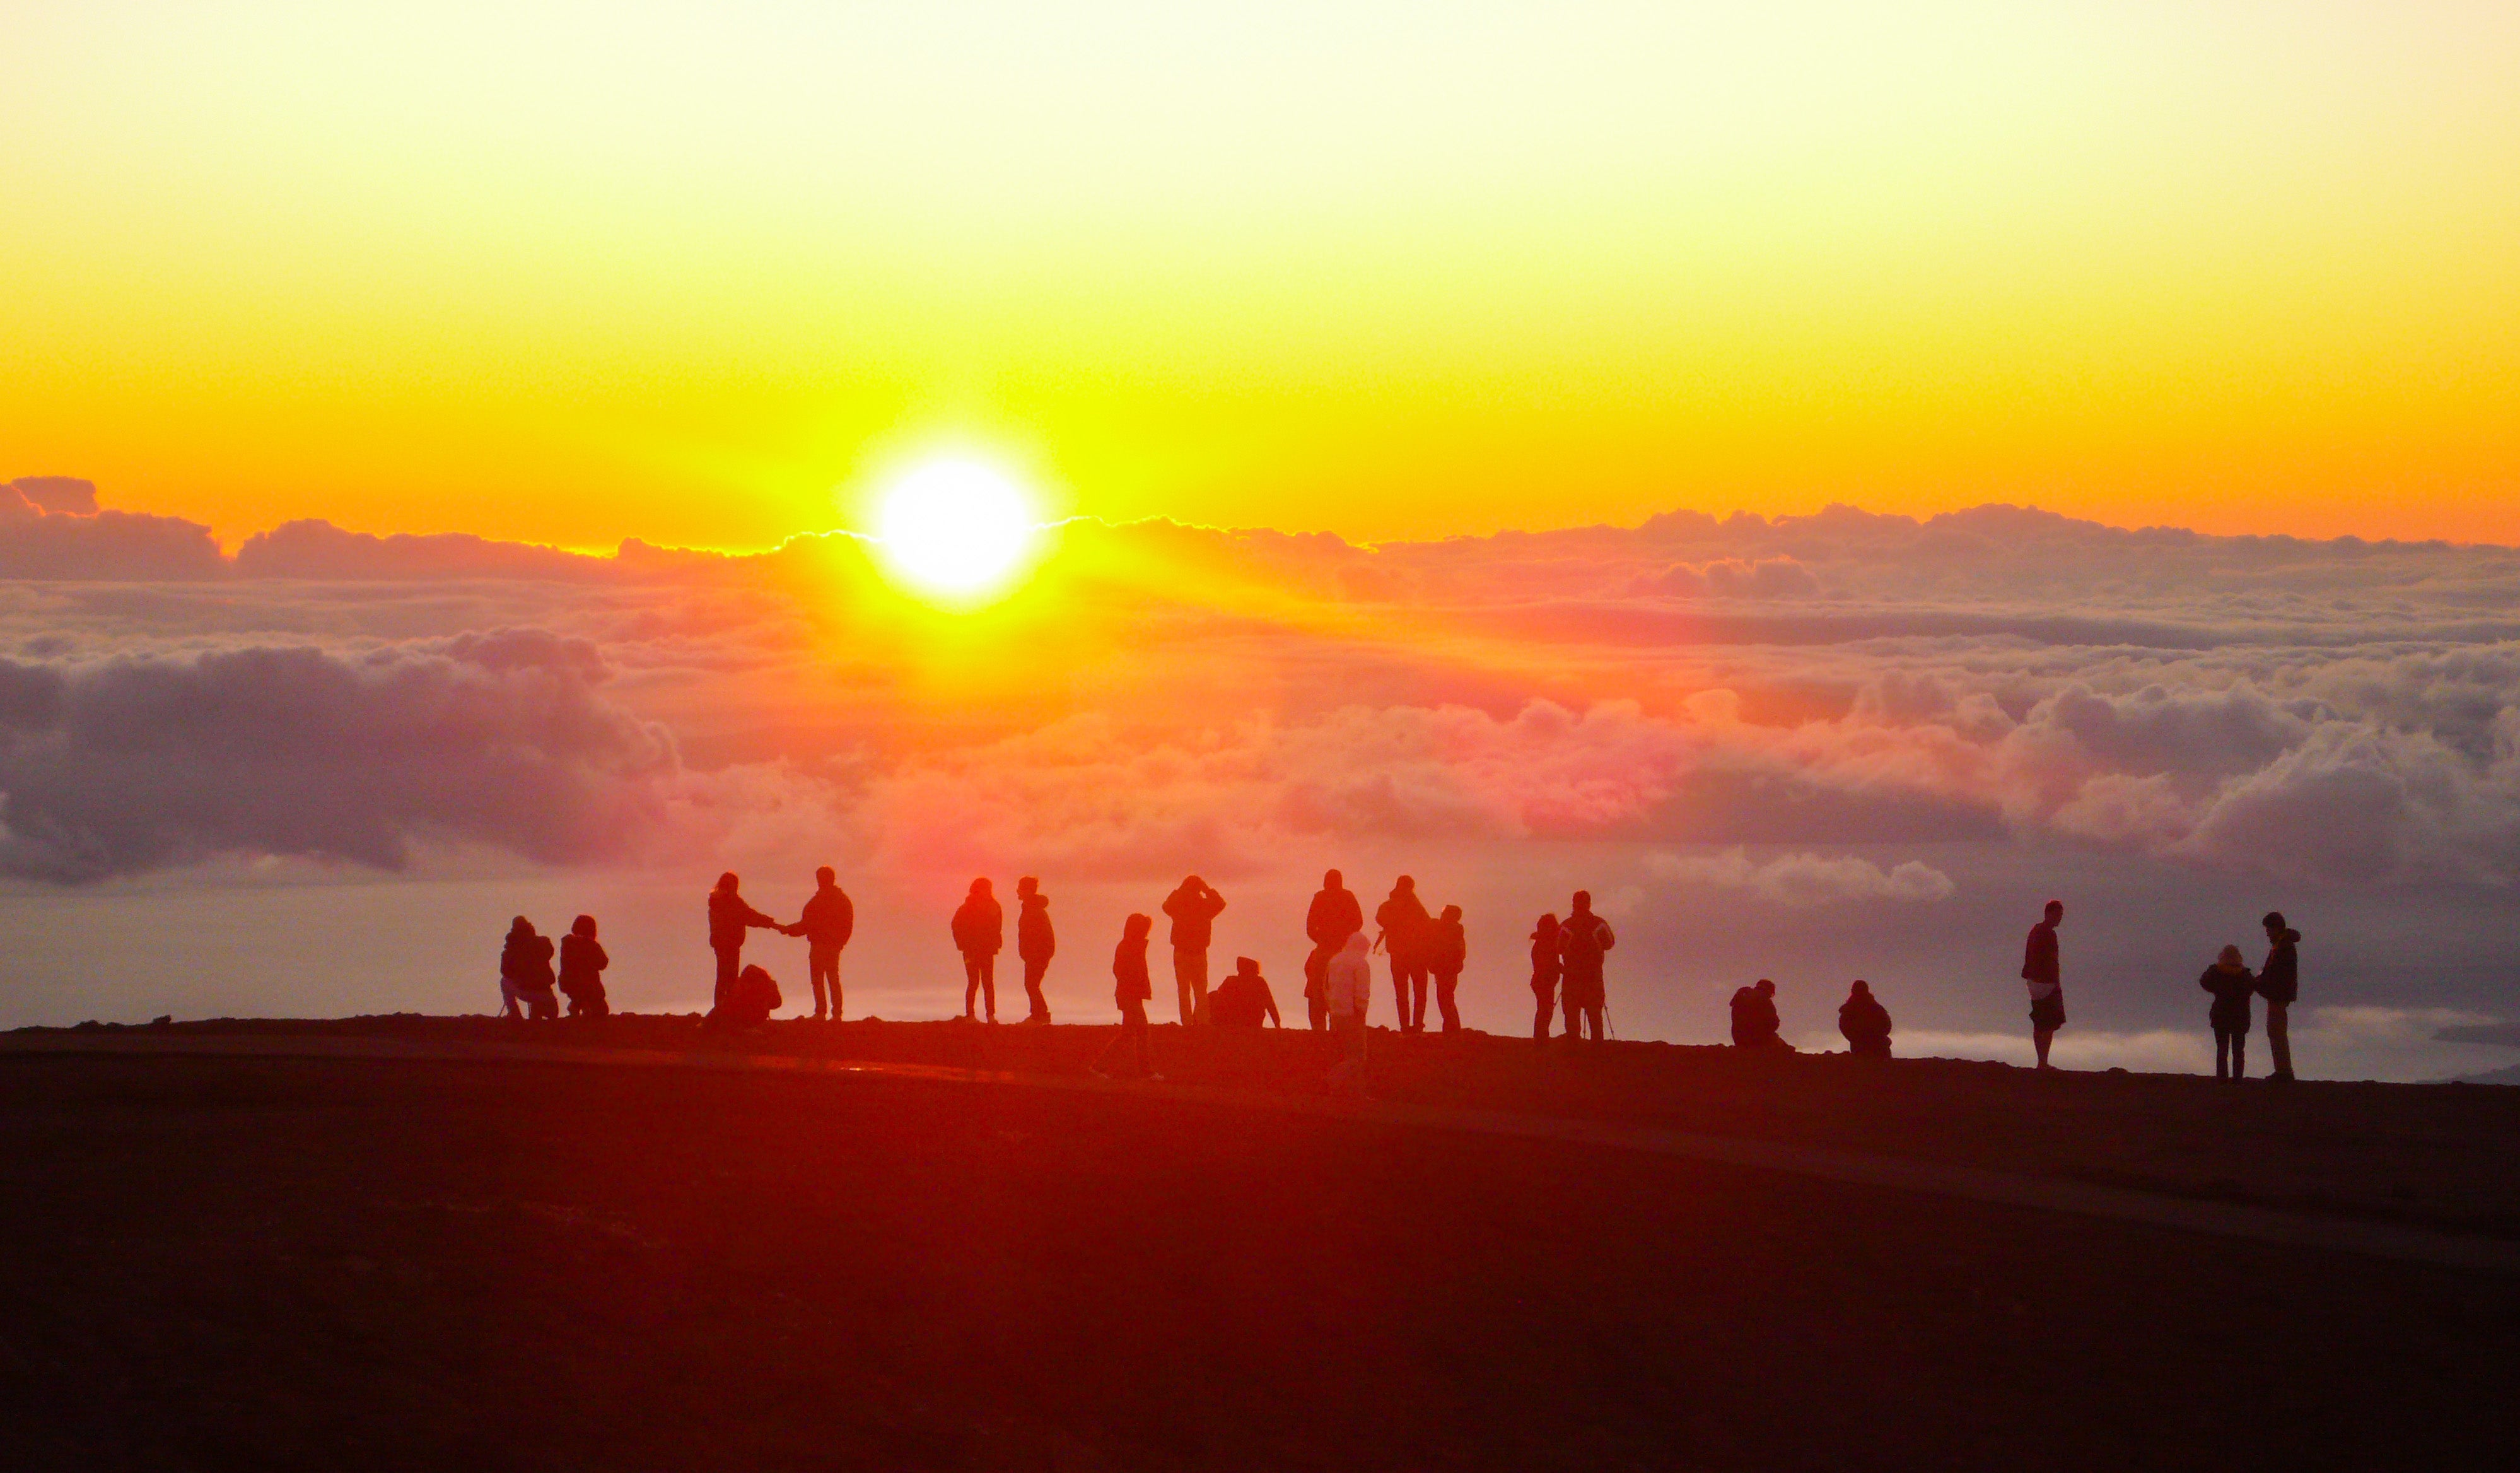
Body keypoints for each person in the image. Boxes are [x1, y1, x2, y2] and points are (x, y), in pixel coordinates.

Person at [706, 872, 782, 1024]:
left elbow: (746, 915)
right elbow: (749, 916)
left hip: (721, 944)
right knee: (730, 978)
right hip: (731, 944)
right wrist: (770, 923)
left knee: (722, 977)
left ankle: (721, 1009)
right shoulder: (732, 902)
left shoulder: (715, 902)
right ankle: (726, 1011)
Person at [1091, 913, 1158, 1079]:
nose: (1146, 933)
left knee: (1128, 1033)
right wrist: (1134, 986)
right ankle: (1145, 1071)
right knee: (1140, 1032)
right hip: (1130, 995)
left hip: (1129, 994)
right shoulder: (1129, 946)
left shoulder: (1131, 945)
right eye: (1144, 929)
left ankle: (1099, 1067)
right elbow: (1121, 971)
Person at [790, 867, 855, 1022]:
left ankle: (834, 1014)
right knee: (820, 979)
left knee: (830, 978)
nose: (820, 881)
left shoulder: (836, 901)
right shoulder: (824, 901)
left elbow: (847, 924)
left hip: (828, 946)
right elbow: (806, 924)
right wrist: (790, 930)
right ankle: (823, 1012)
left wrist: (840, 943)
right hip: (820, 945)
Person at [1303, 869, 1365, 1032]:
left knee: (1319, 988)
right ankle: (1338, 1030)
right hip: (1341, 950)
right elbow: (1358, 922)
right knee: (1340, 988)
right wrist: (1346, 939)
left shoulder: (1320, 897)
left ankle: (1319, 1031)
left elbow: (1310, 926)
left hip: (1325, 949)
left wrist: (1321, 939)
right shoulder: (1348, 896)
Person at [1161, 875, 1227, 1025]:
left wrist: (1178, 891)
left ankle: (1187, 1022)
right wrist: (1208, 890)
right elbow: (1221, 903)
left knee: (1183, 991)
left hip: (1181, 952)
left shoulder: (1179, 906)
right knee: (1201, 991)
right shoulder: (1205, 906)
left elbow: (1166, 906)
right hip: (1199, 953)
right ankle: (1203, 1022)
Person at [1374, 876, 1433, 1033]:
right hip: (1418, 954)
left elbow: (1380, 918)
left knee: (1401, 993)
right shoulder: (1416, 905)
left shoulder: (1388, 905)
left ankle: (1405, 1027)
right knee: (1420, 992)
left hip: (1398, 954)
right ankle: (1418, 1026)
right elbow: (1427, 925)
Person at [1557, 891, 1615, 1041]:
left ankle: (1573, 1049)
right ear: (1589, 904)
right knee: (1595, 1014)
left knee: (1571, 1015)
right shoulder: (1599, 923)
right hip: (1593, 975)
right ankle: (1597, 1051)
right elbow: (1610, 943)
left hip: (1572, 976)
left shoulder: (1566, 925)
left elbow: (1558, 947)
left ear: (1573, 904)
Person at [1324, 930, 1374, 1098]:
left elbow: (1326, 987)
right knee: (1358, 1056)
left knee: (1339, 1052)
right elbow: (1362, 990)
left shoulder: (1335, 960)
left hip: (1335, 1013)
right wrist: (1361, 1010)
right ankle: (1355, 1091)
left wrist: (1331, 1007)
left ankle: (1336, 1090)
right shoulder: (1360, 964)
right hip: (1353, 1014)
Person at [951, 877, 1003, 1023]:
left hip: (986, 950)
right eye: (985, 888)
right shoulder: (967, 907)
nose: (988, 891)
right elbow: (956, 926)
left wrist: (995, 943)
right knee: (974, 982)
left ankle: (990, 1015)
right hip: (971, 950)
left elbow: (997, 927)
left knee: (987, 982)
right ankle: (971, 1015)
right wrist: (962, 944)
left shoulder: (994, 906)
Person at [2201, 944, 2256, 1081]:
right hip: (2241, 1015)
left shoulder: (2217, 972)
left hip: (2221, 1014)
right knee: (2238, 1050)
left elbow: (2204, 982)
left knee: (2222, 1049)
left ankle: (2222, 1078)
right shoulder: (2245, 974)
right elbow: (2252, 988)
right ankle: (2238, 1078)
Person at [2022, 899, 2066, 1069]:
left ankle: (2042, 1061)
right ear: (2048, 914)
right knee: (2048, 1024)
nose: (2059, 919)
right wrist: (2055, 983)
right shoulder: (2048, 933)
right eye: (2057, 915)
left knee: (2040, 1023)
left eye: (2061, 915)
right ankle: (2043, 1062)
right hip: (2046, 983)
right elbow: (2051, 961)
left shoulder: (2036, 930)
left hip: (2034, 982)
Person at [2258, 912, 2300, 1083]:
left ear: (2275, 928)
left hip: (2278, 995)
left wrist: (2260, 982)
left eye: (2268, 929)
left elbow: (2278, 974)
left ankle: (2284, 1071)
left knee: (2276, 1031)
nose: (2267, 932)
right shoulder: (2283, 945)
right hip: (2279, 995)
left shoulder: (2283, 947)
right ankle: (2282, 1069)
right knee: (2276, 1031)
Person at [499, 917, 557, 1021]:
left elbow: (505, 972)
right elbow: (550, 952)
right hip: (546, 994)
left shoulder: (511, 949)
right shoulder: (543, 942)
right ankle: (537, 1013)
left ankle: (514, 1014)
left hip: (526, 992)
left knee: (504, 982)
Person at [1015, 876, 1056, 1025]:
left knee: (1031, 984)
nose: (1017, 890)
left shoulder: (1034, 910)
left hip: (1037, 954)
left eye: (1020, 887)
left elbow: (1041, 935)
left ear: (1026, 890)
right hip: (1034, 954)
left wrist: (1036, 952)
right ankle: (1039, 1015)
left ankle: (1040, 1015)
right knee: (1031, 984)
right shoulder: (1031, 908)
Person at [557, 914, 610, 1019]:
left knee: (593, 1005)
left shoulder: (568, 943)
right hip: (588, 986)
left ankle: (576, 1005)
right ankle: (577, 1006)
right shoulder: (590, 945)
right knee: (600, 1011)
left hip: (570, 984)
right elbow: (603, 963)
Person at [1428, 903, 1468, 1033]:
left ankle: (1453, 1029)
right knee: (1447, 999)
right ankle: (1451, 1029)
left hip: (1445, 969)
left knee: (1445, 999)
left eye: (1444, 913)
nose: (1442, 914)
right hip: (1450, 969)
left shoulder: (1445, 929)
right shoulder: (1456, 930)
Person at [1210, 956, 1282, 1029]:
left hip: (1249, 1019)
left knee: (1213, 996)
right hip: (1239, 1018)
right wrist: (1277, 1023)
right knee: (1213, 995)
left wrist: (1277, 1023)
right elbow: (1270, 1003)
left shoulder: (1258, 982)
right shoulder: (1231, 981)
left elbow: (1269, 1003)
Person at [1528, 913, 1563, 1042]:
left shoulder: (1541, 942)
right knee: (1545, 1010)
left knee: (1544, 1009)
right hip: (1544, 980)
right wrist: (1562, 969)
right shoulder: (1547, 943)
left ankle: (1541, 1037)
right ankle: (1541, 1038)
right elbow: (1548, 963)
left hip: (1540, 980)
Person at [1729, 978, 1792, 1050]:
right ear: (1769, 990)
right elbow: (1773, 1024)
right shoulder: (1765, 1000)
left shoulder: (1742, 996)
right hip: (1757, 1040)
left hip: (1739, 1039)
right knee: (1787, 1050)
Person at [1838, 979, 1891, 1059]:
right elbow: (1887, 1025)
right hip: (1873, 1048)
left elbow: (1844, 1027)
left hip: (1871, 1048)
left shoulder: (1849, 1009)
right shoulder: (1875, 1007)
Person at [720, 962, 782, 1029]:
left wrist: (772, 987)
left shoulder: (763, 987)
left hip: (755, 1021)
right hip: (746, 1022)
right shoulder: (743, 990)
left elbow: (776, 1003)